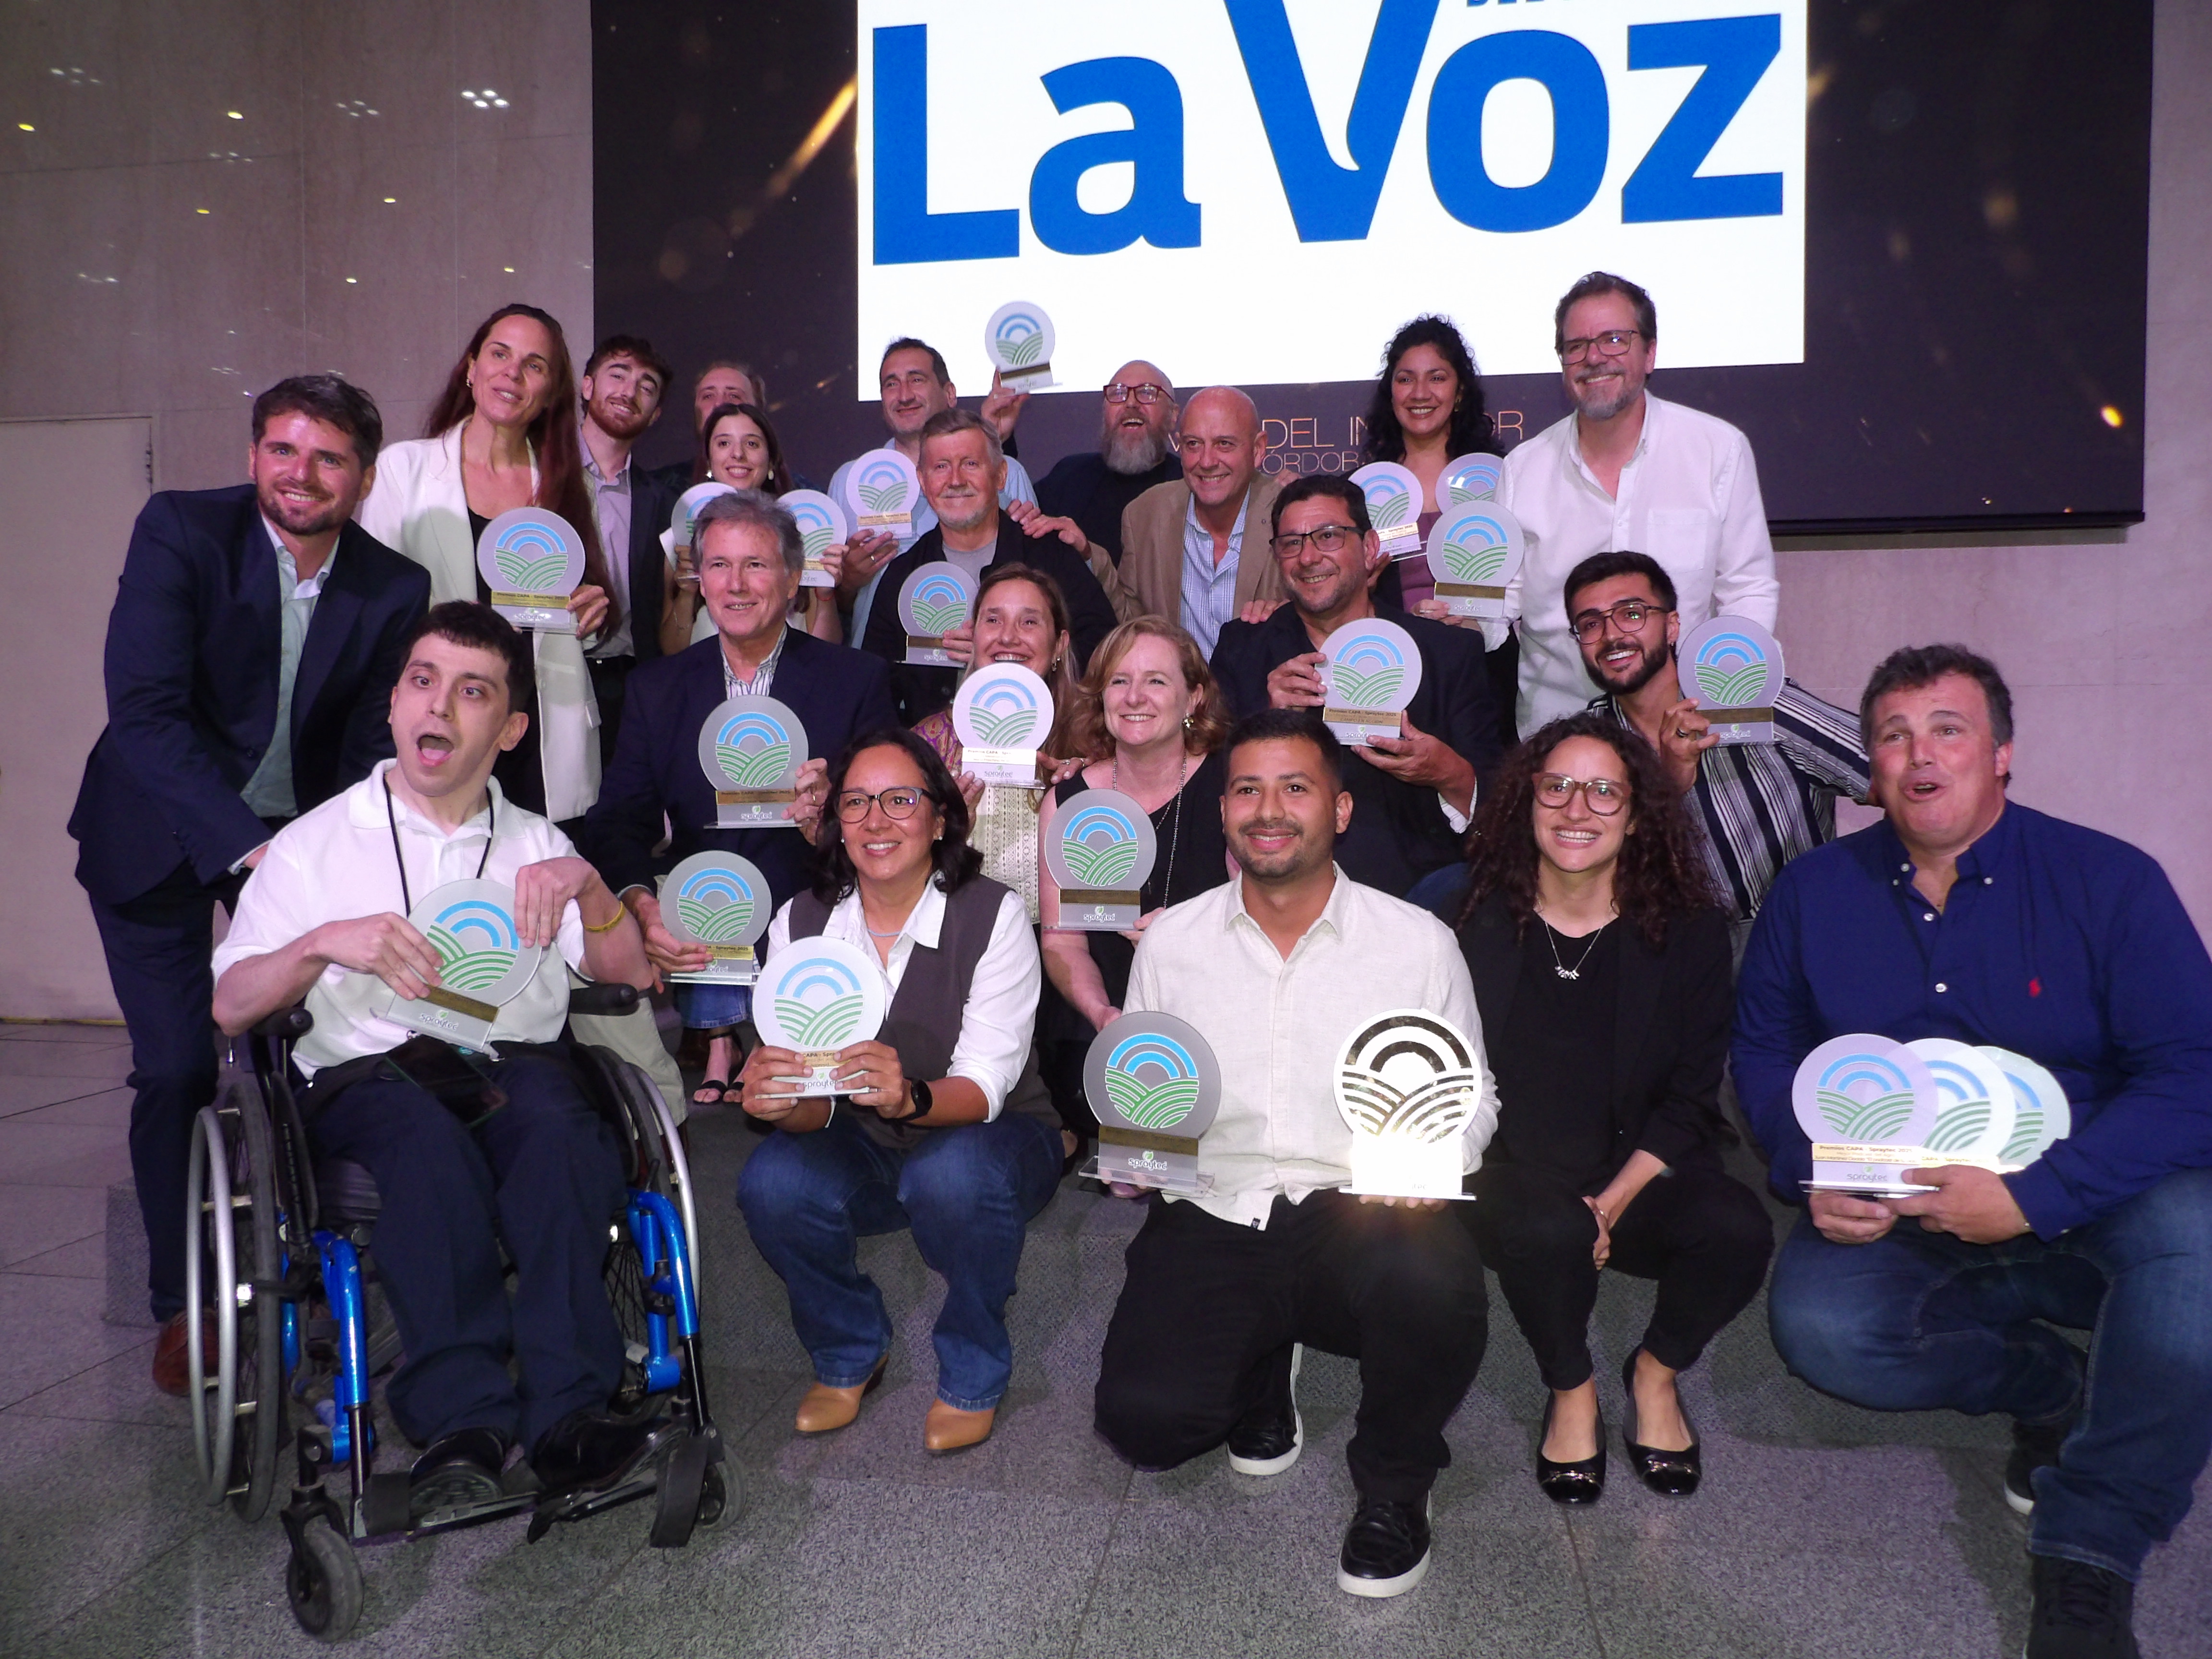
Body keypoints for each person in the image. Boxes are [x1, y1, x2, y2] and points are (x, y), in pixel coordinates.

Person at [1735, 645, 2212, 1659]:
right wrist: (1812, 1167)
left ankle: (2091, 1551)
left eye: (1946, 730)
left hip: (2098, 1184)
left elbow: (2193, 1072)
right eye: (1893, 735)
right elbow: (1766, 1053)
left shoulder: (2109, 880)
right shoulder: (1811, 892)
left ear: (2001, 753)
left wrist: (2038, 1196)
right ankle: (2048, 1384)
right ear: (1870, 767)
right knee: (1822, 1331)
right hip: (1899, 1193)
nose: (1920, 756)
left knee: (2199, 1259)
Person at [208, 602, 669, 1511]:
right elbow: (230, 1004)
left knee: (563, 1136)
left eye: (473, 692)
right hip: (367, 1077)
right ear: (394, 703)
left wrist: (590, 889)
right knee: (424, 1147)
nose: (440, 707)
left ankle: (569, 1415)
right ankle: (462, 1418)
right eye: (423, 682)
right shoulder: (311, 846)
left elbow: (628, 976)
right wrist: (319, 945)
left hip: (512, 1066)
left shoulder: (538, 843)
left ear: (510, 730)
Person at [69, 375, 430, 1393]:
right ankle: (182, 1303)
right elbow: (145, 713)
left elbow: (363, 746)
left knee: (304, 1048)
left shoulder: (392, 586)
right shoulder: (181, 532)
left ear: (363, 477)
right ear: (253, 454)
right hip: (156, 836)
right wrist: (246, 850)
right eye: (282, 449)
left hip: (295, 839)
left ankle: (300, 1259)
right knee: (178, 1066)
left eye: (327, 458)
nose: (300, 473)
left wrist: (345, 856)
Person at [1094, 709, 1495, 1599]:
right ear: (1223, 811)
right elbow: (1149, 1085)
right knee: (1146, 1423)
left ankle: (1395, 1484)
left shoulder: (1416, 942)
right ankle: (1262, 1360)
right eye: (1247, 789)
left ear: (1340, 811)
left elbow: (1475, 1094)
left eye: (1295, 788)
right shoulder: (1172, 943)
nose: (1268, 809)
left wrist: (1437, 1161)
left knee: (1433, 1284)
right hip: (1217, 1203)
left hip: (1362, 1205)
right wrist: (1132, 1150)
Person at [1455, 714, 1772, 1503]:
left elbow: (1691, 1093)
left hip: (1636, 1168)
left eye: (1604, 791)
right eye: (1557, 786)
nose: (1576, 808)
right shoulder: (1467, 919)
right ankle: (1571, 1386)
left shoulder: (1690, 932)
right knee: (1546, 1228)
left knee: (1737, 1228)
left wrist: (1612, 1202)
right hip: (1511, 1176)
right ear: (1526, 801)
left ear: (1635, 815)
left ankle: (1655, 1373)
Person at [735, 730, 1065, 1455]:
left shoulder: (994, 914)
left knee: (951, 1174)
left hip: (994, 1137)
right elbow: (814, 1101)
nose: (876, 820)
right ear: (836, 821)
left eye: (900, 800)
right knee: (770, 1181)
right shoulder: (801, 922)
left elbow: (985, 1087)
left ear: (941, 818)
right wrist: (779, 1102)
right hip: (868, 1145)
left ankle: (973, 1366)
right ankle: (849, 1349)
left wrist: (908, 1098)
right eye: (856, 802)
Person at [580, 491, 895, 1109]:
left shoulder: (854, 680)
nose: (737, 584)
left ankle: (762, 1037)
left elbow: (891, 811)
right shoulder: (657, 688)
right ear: (700, 580)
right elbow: (617, 819)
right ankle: (705, 1052)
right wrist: (643, 907)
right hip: (704, 906)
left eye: (756, 565)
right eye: (720, 566)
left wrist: (836, 810)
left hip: (817, 898)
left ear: (793, 579)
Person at [358, 302, 615, 824]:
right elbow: (371, 612)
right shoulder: (403, 470)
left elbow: (578, 609)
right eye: (500, 354)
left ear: (551, 393)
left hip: (542, 725)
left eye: (534, 365)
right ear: (472, 369)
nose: (512, 374)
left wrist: (590, 614)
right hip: (443, 720)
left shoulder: (570, 485)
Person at [1496, 271, 1779, 736]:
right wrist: (1464, 620)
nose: (1594, 358)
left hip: (1684, 727)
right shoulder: (1522, 470)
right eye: (1576, 346)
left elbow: (1748, 588)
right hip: (1559, 734)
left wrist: (1726, 695)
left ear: (1650, 353)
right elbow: (1500, 602)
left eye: (1614, 339)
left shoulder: (1717, 450)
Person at [1210, 475, 1504, 898]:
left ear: (1369, 548)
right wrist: (1269, 719)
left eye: (1328, 536)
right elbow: (1213, 786)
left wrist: (1447, 772)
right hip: (1280, 887)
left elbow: (1498, 794)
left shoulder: (1447, 651)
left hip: (1418, 894)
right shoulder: (1244, 648)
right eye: (1291, 543)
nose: (1308, 557)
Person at [1568, 550, 1867, 946]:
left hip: (1792, 940)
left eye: (1632, 614)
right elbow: (1577, 869)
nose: (1611, 635)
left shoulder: (1756, 700)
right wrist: (1668, 784)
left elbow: (1890, 773)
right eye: (1591, 624)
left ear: (1672, 626)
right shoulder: (1587, 745)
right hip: (1664, 952)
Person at [1038, 617, 1232, 1145]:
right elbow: (1061, 941)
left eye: (1156, 681)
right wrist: (1103, 1014)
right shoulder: (1067, 801)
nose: (1134, 697)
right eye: (1119, 681)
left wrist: (1193, 929)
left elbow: (1269, 916)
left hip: (1217, 1013)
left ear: (1194, 697)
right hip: (1102, 1021)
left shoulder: (1233, 784)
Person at [860, 407, 1117, 725]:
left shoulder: (1051, 556)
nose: (956, 481)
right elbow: (875, 690)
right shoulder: (903, 575)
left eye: (970, 464)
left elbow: (1105, 649)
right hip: (935, 751)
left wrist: (1011, 651)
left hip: (1044, 739)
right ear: (922, 481)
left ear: (1000, 474)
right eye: (941, 467)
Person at [832, 338, 1040, 647]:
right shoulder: (849, 481)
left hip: (996, 656)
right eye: (891, 384)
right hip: (885, 660)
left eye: (917, 379)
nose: (904, 395)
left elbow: (1040, 580)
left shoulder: (1009, 472)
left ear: (950, 394)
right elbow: (827, 603)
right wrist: (847, 582)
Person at [911, 563, 1082, 922]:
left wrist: (1083, 789)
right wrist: (944, 826)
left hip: (1063, 938)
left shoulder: (1093, 742)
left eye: (1029, 622)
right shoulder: (926, 743)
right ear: (973, 636)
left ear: (1059, 645)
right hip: (954, 932)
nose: (1008, 637)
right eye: (993, 620)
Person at [1110, 386, 1287, 655]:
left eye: (1224, 444)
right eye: (1193, 444)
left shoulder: (1289, 516)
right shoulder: (1145, 515)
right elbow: (1130, 624)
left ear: (1257, 449)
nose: (1206, 461)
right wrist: (1090, 558)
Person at [662, 401, 842, 648]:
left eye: (752, 444)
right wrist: (686, 593)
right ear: (709, 461)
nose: (738, 454)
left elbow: (827, 653)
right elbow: (672, 652)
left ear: (771, 461)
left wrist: (825, 596)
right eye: (724, 443)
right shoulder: (679, 538)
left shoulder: (806, 531)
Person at [577, 333, 679, 767]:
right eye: (617, 375)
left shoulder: (663, 501)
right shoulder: (536, 473)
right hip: (549, 675)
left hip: (627, 684)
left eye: (646, 386)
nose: (629, 391)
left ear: (655, 414)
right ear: (587, 386)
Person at [1362, 315, 1498, 613]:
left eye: (1436, 378)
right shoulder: (1362, 490)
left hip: (1480, 638)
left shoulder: (1499, 479)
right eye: (1406, 379)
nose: (1420, 393)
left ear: (1460, 392)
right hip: (1389, 639)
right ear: (1391, 393)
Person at [1032, 361, 1182, 566]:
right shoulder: (1069, 477)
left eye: (1147, 393)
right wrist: (999, 435)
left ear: (1173, 415)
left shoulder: (1190, 487)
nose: (1131, 403)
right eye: (1118, 393)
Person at [642, 359, 765, 496]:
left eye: (734, 396)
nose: (719, 404)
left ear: (759, 413)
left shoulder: (785, 497)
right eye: (708, 396)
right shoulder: (658, 489)